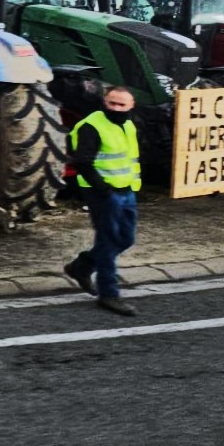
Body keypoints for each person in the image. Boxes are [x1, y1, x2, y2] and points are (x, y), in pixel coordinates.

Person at [64, 85, 141, 316]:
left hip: (126, 189)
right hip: (103, 193)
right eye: (111, 103)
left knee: (126, 238)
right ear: (104, 103)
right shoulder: (92, 126)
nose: (116, 108)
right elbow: (83, 162)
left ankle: (82, 266)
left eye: (121, 105)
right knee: (108, 241)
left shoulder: (128, 124)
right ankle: (109, 293)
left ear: (131, 106)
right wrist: (103, 190)